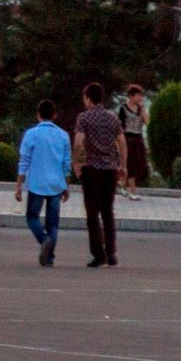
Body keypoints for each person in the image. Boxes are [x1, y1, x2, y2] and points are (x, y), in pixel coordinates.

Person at [72, 81, 124, 269]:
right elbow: (122, 142)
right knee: (108, 211)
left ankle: (98, 254)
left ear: (88, 98)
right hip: (110, 169)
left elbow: (78, 142)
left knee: (92, 213)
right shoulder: (113, 118)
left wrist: (77, 163)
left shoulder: (84, 118)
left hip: (92, 168)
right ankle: (111, 253)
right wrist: (122, 165)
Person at [16, 97, 73, 268]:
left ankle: (44, 239)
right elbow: (66, 163)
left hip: (36, 184)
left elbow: (24, 161)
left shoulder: (31, 134)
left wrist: (19, 184)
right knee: (53, 223)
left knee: (32, 217)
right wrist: (66, 185)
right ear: (55, 115)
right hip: (56, 184)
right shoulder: (63, 135)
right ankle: (49, 257)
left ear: (38, 115)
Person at [120, 85, 151, 200]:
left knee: (139, 165)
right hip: (127, 138)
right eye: (138, 95)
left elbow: (147, 122)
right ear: (131, 96)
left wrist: (142, 109)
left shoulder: (140, 109)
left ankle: (122, 185)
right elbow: (120, 126)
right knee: (130, 165)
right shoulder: (123, 108)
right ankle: (132, 191)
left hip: (138, 138)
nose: (140, 98)